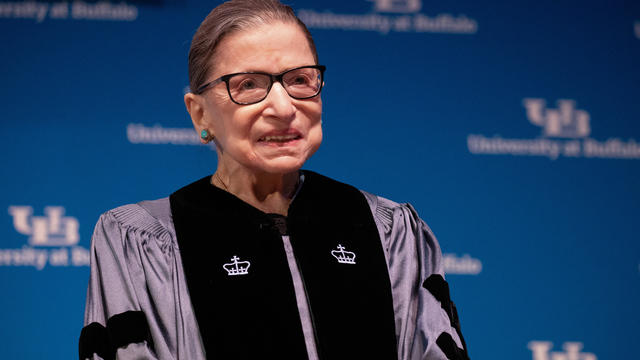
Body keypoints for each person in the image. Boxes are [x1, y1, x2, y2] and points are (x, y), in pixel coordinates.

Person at [78, 0, 469, 359]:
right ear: (200, 115)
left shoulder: (390, 233)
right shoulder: (144, 242)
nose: (283, 108)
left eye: (300, 79)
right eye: (248, 84)